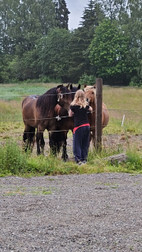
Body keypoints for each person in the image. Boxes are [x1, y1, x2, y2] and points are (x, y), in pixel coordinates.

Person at [69, 89, 92, 165]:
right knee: (85, 144)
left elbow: (70, 114)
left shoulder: (73, 106)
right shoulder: (86, 105)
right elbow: (91, 109)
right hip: (87, 126)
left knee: (77, 144)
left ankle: (78, 160)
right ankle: (84, 159)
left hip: (78, 127)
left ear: (76, 96)